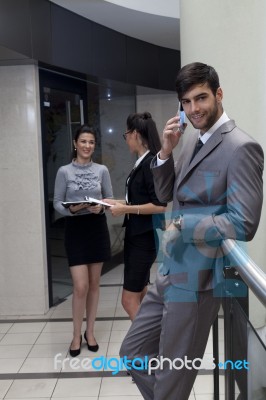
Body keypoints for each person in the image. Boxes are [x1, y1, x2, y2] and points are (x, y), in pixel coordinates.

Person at [119, 62, 264, 399]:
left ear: (219, 94)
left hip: (199, 281)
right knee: (133, 353)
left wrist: (186, 224)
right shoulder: (191, 140)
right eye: (186, 102)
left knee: (172, 379)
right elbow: (168, 194)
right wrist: (166, 151)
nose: (194, 108)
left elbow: (244, 222)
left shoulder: (241, 147)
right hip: (171, 271)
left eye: (201, 98)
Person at [53, 124, 113, 357]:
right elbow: (58, 202)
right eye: (84, 141)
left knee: (95, 285)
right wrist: (73, 209)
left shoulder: (102, 170)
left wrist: (101, 207)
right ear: (75, 144)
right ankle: (76, 335)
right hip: (75, 229)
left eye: (91, 142)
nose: (87, 146)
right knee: (81, 286)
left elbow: (108, 197)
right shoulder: (64, 171)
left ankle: (90, 332)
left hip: (96, 227)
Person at [105, 112, 166, 321]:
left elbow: (159, 206)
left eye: (126, 134)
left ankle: (147, 345)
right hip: (138, 238)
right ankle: (150, 346)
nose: (126, 139)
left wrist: (125, 209)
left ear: (136, 134)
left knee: (128, 300)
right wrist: (117, 203)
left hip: (143, 241)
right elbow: (138, 199)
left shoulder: (150, 163)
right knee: (140, 295)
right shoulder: (142, 162)